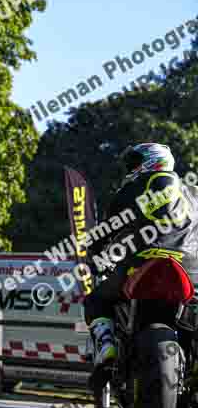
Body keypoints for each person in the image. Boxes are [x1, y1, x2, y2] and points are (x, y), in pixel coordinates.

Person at [85, 142, 198, 390]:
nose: (132, 168)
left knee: (96, 300)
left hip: (144, 263)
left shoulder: (135, 186)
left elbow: (104, 232)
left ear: (151, 161)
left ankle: (107, 347)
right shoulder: (194, 192)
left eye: (135, 162)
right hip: (189, 271)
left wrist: (94, 258)